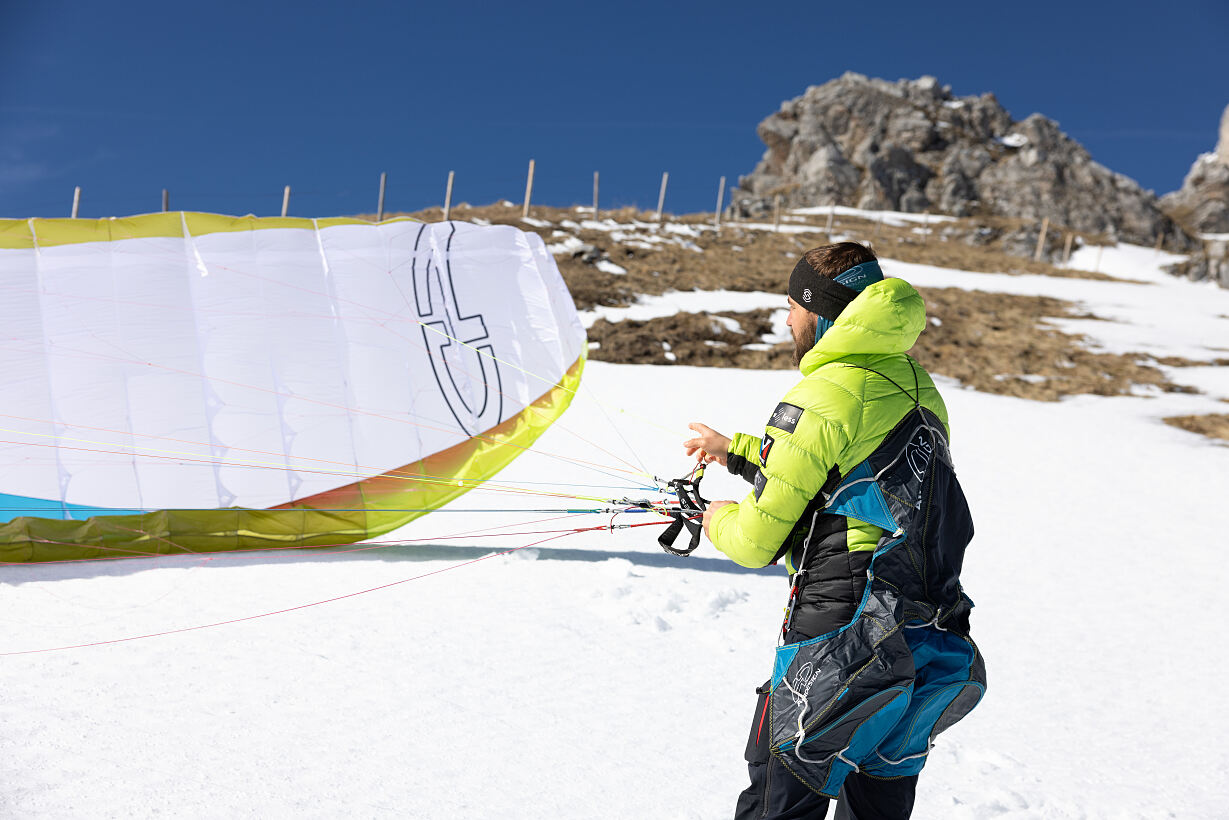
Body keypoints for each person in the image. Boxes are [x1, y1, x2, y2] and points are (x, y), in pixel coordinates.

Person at [683, 241, 983, 820]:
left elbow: (755, 541)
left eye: (793, 305)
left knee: (781, 793)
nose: (787, 318)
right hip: (923, 631)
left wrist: (713, 516)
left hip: (839, 631)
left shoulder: (819, 396)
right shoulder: (919, 390)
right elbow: (858, 476)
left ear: (820, 312)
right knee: (877, 798)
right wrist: (736, 451)